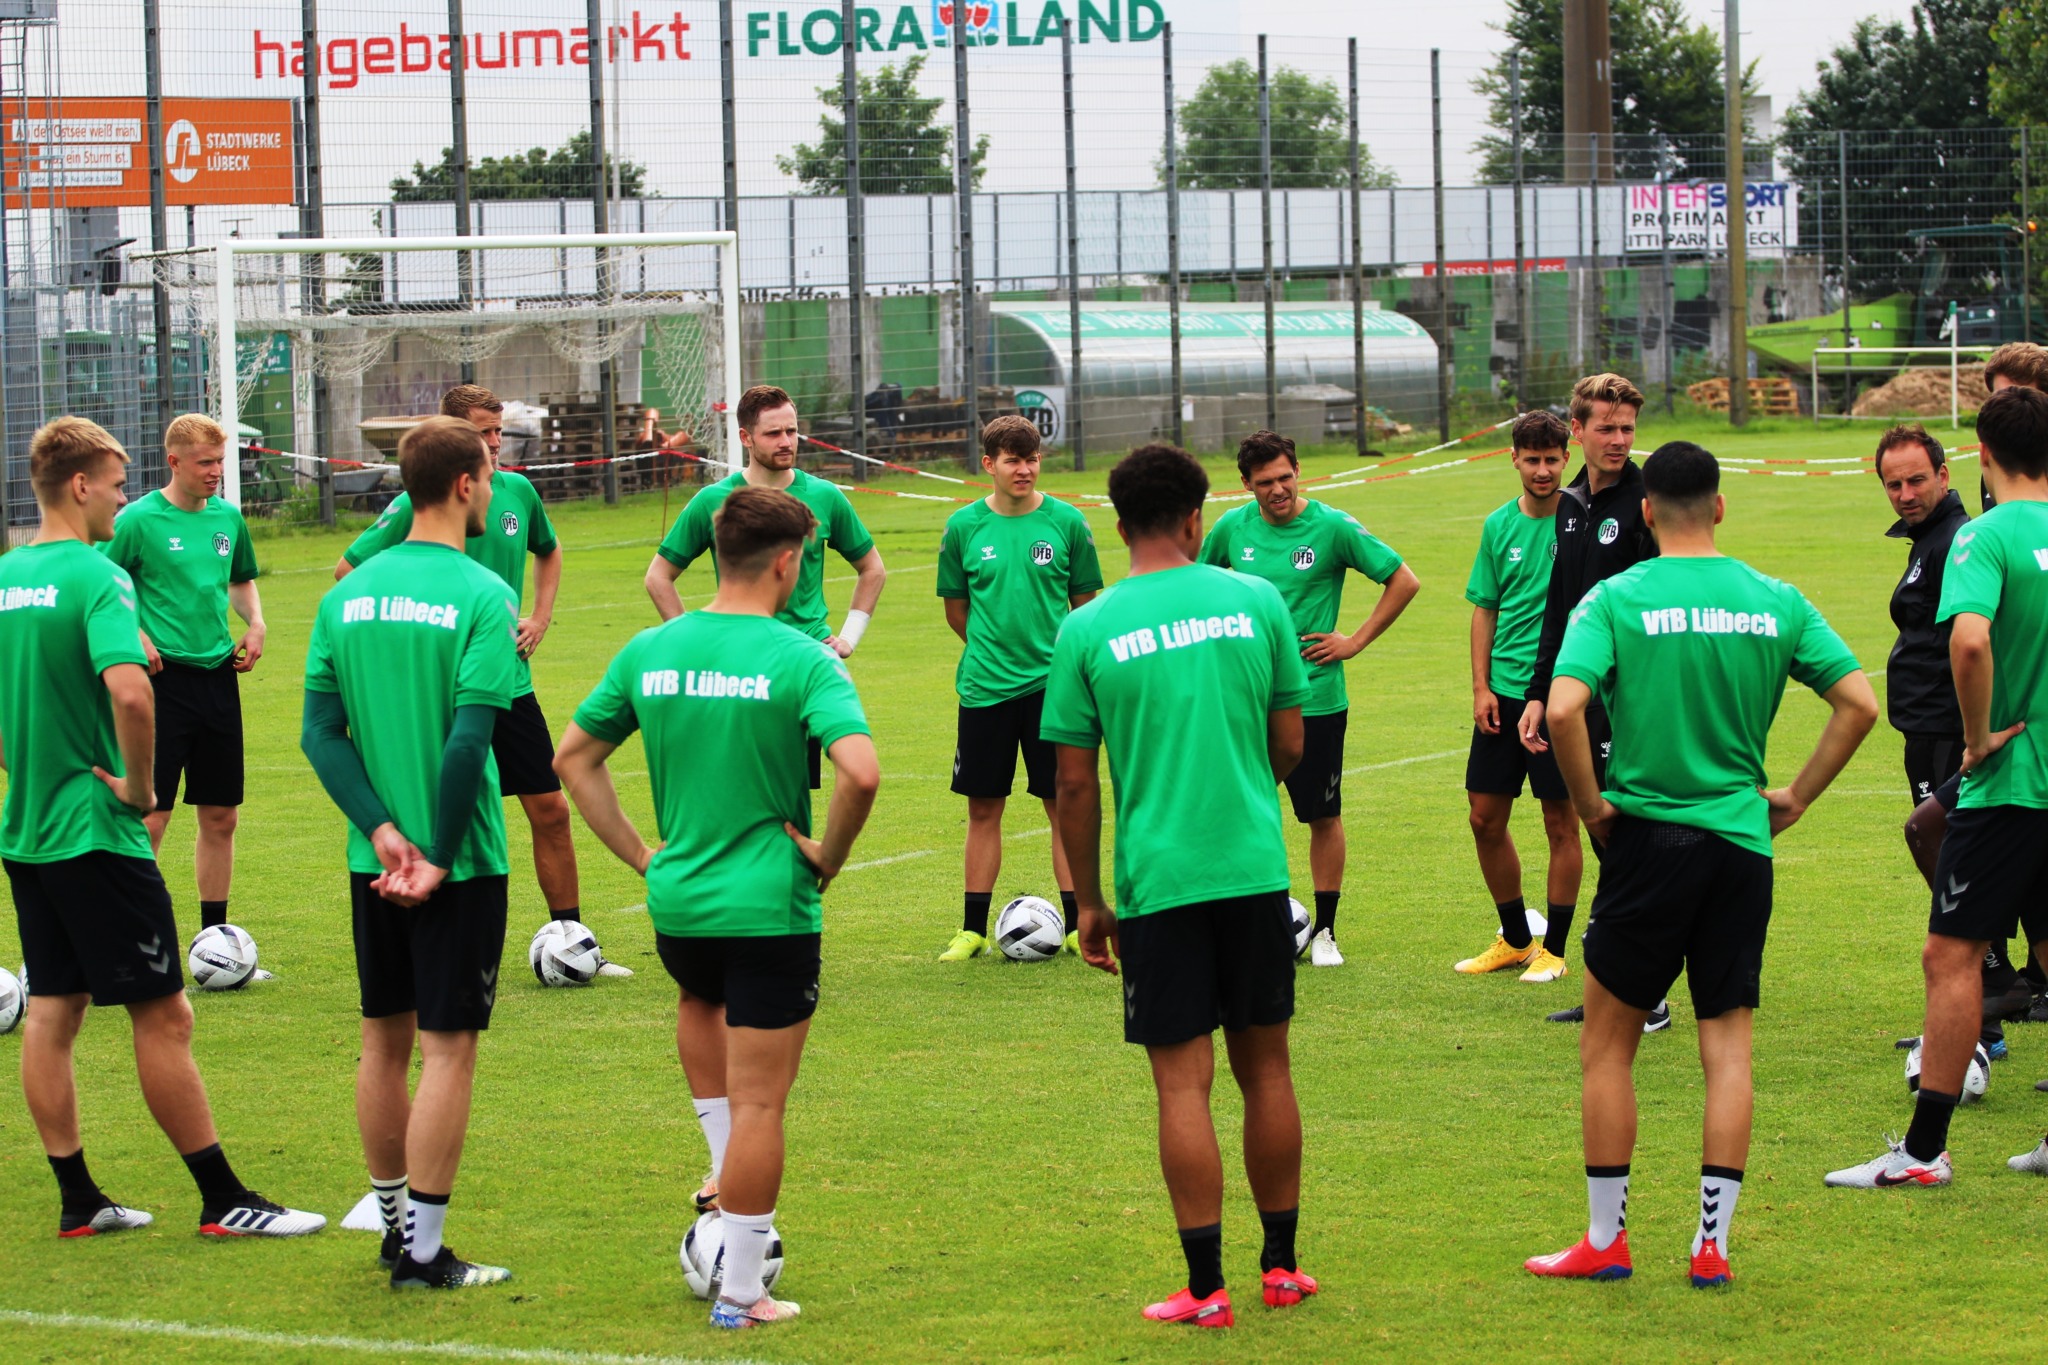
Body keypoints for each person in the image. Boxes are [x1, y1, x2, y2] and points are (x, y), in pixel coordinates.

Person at [1526, 441, 1875, 1285]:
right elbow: (1860, 702)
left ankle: (1607, 1241)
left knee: (1608, 1049)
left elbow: (1565, 707)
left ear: (1645, 512)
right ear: (1720, 507)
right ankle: (1711, 1246)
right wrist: (1792, 795)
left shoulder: (1616, 596)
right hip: (1739, 848)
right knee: (1729, 1051)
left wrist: (1589, 804)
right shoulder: (1774, 598)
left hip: (1648, 842)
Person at [556, 486, 880, 1330]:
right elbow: (861, 771)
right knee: (764, 1109)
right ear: (786, 562)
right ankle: (741, 1293)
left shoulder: (650, 650)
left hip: (682, 911)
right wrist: (828, 855)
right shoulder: (805, 656)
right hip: (770, 907)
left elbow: (575, 756)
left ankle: (720, 1189)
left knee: (703, 1016)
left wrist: (639, 853)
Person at [2, 416, 322, 1241]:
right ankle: (223, 1199)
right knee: (166, 1015)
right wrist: (140, 786)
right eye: (113, 483)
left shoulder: (9, 578)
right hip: (95, 830)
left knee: (54, 1009)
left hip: (28, 829)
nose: (121, 496)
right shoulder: (96, 578)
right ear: (80, 485)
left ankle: (80, 1199)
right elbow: (134, 691)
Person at [1047, 443, 1319, 1327]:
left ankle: (1206, 1288)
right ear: (1200, 518)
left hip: (1159, 882)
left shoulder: (1086, 628)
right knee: (1267, 1069)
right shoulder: (1258, 599)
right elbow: (1290, 746)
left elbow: (1076, 784)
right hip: (1250, 869)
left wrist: (1087, 901)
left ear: (1117, 525)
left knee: (1181, 1086)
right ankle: (1281, 1267)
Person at [303, 416, 524, 1288]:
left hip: (374, 859)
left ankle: (395, 1228)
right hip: (456, 863)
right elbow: (468, 743)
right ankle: (426, 1252)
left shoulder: (342, 596)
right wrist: (431, 849)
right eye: (490, 473)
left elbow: (321, 734)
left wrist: (382, 831)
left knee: (381, 1040)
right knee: (449, 1049)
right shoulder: (481, 594)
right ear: (466, 485)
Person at [1828, 384, 2048, 1190]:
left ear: (1982, 456)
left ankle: (1922, 1153)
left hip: (2010, 781)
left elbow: (1969, 642)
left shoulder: (1980, 538)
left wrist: (1980, 733)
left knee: (1950, 955)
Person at [335, 385, 616, 973]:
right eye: (484, 433)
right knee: (438, 808)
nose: (495, 443)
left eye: (498, 431)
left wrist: (540, 615)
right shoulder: (421, 503)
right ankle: (423, 927)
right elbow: (348, 570)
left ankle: (571, 939)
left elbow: (550, 549)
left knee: (550, 809)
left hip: (508, 683)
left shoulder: (515, 491)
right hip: (443, 690)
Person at [1196, 430, 1419, 966]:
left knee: (1322, 814)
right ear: (1245, 484)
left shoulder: (1333, 527)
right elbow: (1199, 584)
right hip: (1244, 700)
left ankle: (1325, 932)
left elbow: (1403, 580)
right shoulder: (1231, 529)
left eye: (1286, 478)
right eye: (1266, 483)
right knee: (1240, 810)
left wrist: (1354, 641)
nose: (1279, 490)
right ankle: (1240, 920)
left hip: (1315, 701)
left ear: (1299, 472)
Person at [1518, 373, 1668, 1028]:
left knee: (1628, 837)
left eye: (1627, 429)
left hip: (1634, 700)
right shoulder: (1573, 502)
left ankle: (1649, 994)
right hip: (1580, 699)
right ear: (1575, 430)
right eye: (1605, 428)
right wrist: (1536, 691)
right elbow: (1560, 604)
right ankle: (1620, 984)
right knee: (1609, 838)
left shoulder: (1647, 502)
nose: (1617, 440)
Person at [646, 384, 886, 791]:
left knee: (791, 797)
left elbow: (873, 569)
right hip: (738, 666)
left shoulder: (824, 496)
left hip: (803, 665)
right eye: (774, 433)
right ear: (745, 437)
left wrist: (849, 637)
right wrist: (695, 642)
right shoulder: (713, 501)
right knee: (736, 789)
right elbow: (658, 576)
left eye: (792, 431)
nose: (786, 442)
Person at [99, 414, 267, 960]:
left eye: (221, 461)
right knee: (152, 814)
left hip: (218, 677)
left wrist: (256, 621)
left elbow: (239, 578)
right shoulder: (138, 520)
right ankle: (128, 934)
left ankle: (214, 939)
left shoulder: (226, 519)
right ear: (174, 462)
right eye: (206, 463)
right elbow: (104, 585)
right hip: (160, 681)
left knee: (221, 814)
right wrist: (135, 632)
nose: (217, 472)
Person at [935, 416, 1102, 961]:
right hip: (984, 691)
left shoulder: (1068, 523)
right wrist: (991, 650)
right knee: (984, 810)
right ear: (989, 465)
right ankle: (972, 930)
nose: (1025, 469)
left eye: (1032, 459)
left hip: (1054, 694)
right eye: (1012, 460)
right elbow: (957, 611)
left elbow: (1087, 611)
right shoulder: (963, 527)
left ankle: (1078, 926)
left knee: (1064, 807)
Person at [1454, 410, 1582, 982]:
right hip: (1503, 696)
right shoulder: (1497, 526)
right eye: (1531, 459)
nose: (1542, 470)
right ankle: (1514, 936)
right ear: (1514, 459)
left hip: (1560, 697)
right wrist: (1481, 686)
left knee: (1561, 821)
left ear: (1566, 458)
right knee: (1485, 818)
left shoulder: (1580, 522)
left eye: (1551, 459)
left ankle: (1554, 947)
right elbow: (1486, 607)